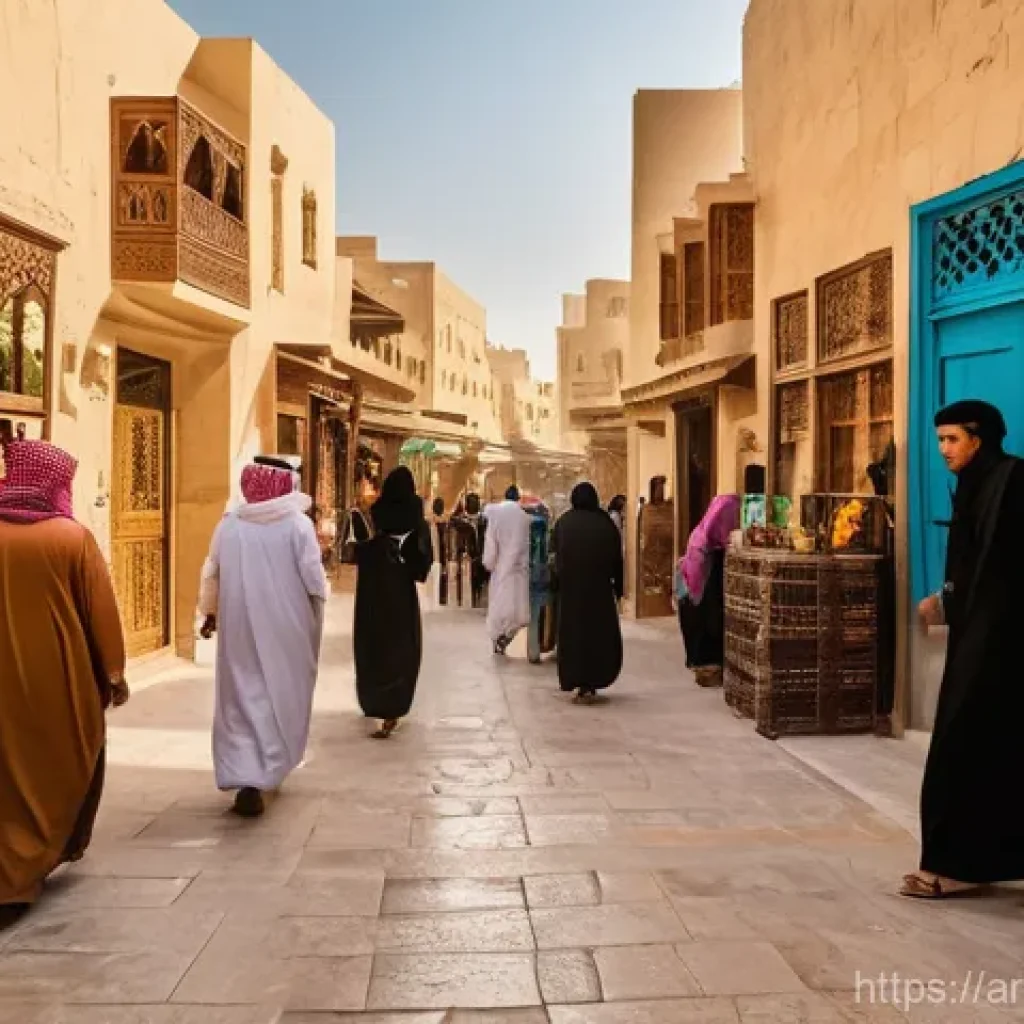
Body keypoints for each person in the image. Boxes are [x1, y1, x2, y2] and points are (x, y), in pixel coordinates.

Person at [0, 440, 129, 918]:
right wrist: (113, 674)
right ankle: (23, 870)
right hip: (56, 678)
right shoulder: (70, 538)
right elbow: (100, 614)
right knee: (51, 765)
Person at [902, 399, 1024, 898]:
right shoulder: (976, 483)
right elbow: (971, 561)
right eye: (940, 440)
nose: (944, 450)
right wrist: (945, 600)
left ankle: (955, 865)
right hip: (983, 633)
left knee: (965, 741)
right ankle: (968, 861)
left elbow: (1004, 568)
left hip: (1004, 640)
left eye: (952, 439)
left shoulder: (1013, 481)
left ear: (979, 438)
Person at [198, 457, 327, 818]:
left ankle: (244, 774)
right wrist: (317, 609)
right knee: (278, 691)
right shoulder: (298, 527)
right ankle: (268, 768)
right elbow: (313, 579)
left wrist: (209, 612)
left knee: (240, 693)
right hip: (287, 624)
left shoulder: (230, 525)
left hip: (238, 624)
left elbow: (213, 571)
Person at [351, 466, 433, 738]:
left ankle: (373, 701)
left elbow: (357, 553)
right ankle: (393, 707)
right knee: (401, 649)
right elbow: (422, 566)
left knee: (373, 647)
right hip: (400, 594)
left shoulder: (374, 514)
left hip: (372, 594)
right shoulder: (416, 520)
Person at [552, 482, 624, 703]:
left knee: (574, 636)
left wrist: (556, 587)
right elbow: (616, 560)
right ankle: (594, 679)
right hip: (599, 593)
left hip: (571, 593)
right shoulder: (605, 523)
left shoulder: (563, 523)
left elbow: (555, 559)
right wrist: (619, 588)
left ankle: (576, 678)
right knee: (597, 635)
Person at [674, 493, 740, 687]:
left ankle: (704, 666)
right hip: (699, 594)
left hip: (692, 596)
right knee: (711, 620)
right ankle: (709, 668)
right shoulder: (710, 547)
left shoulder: (701, 535)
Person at [482, 485, 530, 655]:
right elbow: (525, 547)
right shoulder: (524, 518)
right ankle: (506, 638)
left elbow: (490, 541)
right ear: (518, 499)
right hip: (517, 571)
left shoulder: (496, 514)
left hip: (499, 567)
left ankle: (497, 637)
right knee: (516, 609)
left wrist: (490, 563)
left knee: (498, 604)